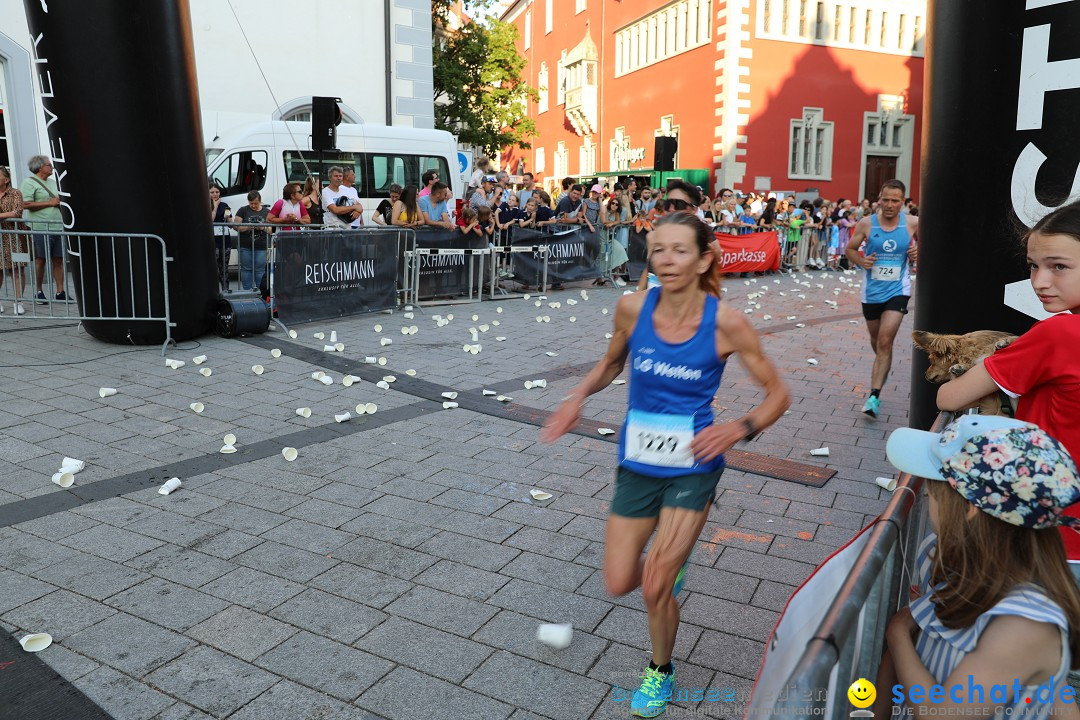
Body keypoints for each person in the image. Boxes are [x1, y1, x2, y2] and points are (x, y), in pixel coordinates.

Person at [542, 211, 790, 719]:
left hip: (693, 465)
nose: (667, 260)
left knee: (654, 582)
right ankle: (668, 573)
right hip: (637, 462)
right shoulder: (632, 308)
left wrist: (739, 428)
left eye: (680, 250)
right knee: (618, 581)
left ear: (703, 260)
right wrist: (577, 397)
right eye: (658, 250)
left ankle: (659, 670)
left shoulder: (725, 322)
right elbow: (612, 363)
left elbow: (778, 393)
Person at [877, 415, 1080, 719]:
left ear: (970, 507)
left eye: (933, 494)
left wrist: (897, 634)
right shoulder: (943, 557)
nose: (927, 501)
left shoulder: (1026, 623)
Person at [936, 197, 1080, 560]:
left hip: (1047, 532)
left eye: (1059, 266)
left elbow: (949, 398)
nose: (1039, 281)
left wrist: (992, 359)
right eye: (1033, 266)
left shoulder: (1060, 334)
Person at [846, 179, 919, 418]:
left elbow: (931, 247)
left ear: (903, 201)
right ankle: (882, 365)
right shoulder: (867, 223)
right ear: (879, 198)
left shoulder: (912, 223)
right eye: (885, 199)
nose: (889, 205)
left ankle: (874, 397)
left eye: (895, 200)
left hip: (898, 290)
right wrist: (861, 260)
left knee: (885, 341)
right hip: (871, 292)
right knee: (877, 342)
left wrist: (918, 252)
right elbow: (850, 249)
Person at [21, 155, 68, 303]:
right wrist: (50, 203)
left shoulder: (54, 182)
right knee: (41, 259)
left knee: (58, 259)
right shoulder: (28, 183)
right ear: (40, 167)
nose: (52, 167)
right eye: (49, 165)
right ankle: (39, 291)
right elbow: (25, 204)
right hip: (40, 227)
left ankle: (60, 292)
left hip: (57, 226)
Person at [0, 166, 27, 314]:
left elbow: (17, 212)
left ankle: (18, 302)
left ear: (6, 179)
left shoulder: (15, 193)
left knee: (18, 270)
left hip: (16, 237)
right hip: (0, 239)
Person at [232, 190, 271, 292]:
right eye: (251, 203)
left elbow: (272, 229)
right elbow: (236, 226)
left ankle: (260, 292)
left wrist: (262, 228)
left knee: (260, 270)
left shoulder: (267, 212)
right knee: (246, 269)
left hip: (261, 246)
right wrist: (248, 227)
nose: (253, 206)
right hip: (245, 245)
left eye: (256, 203)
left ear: (260, 201)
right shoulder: (243, 210)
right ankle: (247, 292)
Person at [209, 184, 232, 288]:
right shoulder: (205, 204)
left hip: (224, 240)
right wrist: (215, 205)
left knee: (224, 268)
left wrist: (227, 218)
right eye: (212, 192)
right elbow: (210, 220)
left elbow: (230, 224)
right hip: (212, 241)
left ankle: (225, 290)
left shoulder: (225, 205)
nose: (215, 194)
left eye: (217, 192)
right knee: (213, 268)